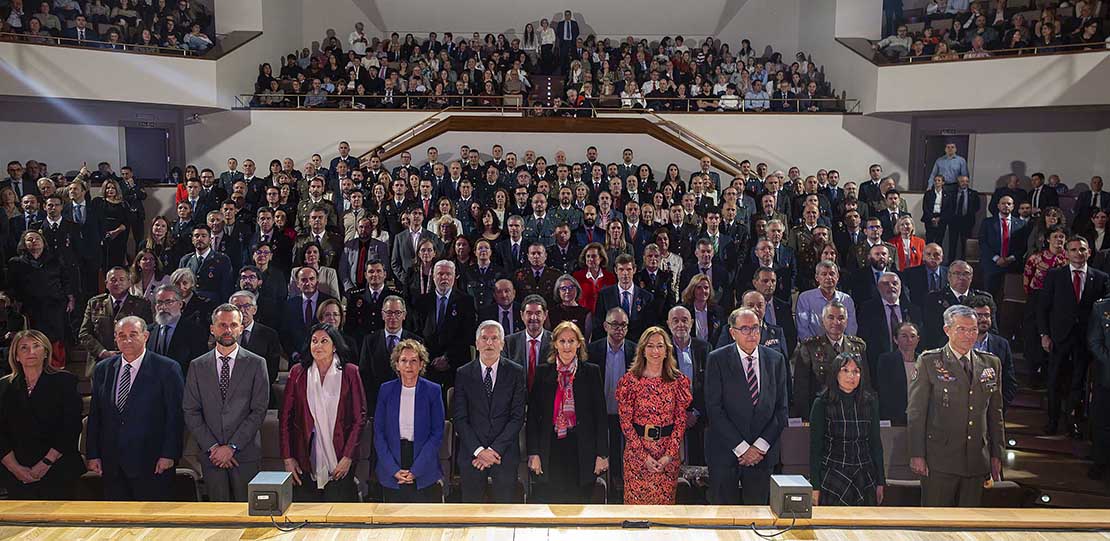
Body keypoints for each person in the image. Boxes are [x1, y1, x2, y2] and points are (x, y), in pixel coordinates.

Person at [908, 305, 1004, 507]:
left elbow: (995, 414)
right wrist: (917, 454)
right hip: (941, 460)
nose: (969, 335)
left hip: (977, 460)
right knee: (937, 524)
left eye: (973, 329)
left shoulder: (990, 364)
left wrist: (996, 454)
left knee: (970, 525)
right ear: (947, 330)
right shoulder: (929, 362)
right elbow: (916, 412)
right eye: (962, 329)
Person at [85, 316, 184, 501]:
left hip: (152, 462)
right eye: (121, 335)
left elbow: (175, 417)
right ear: (115, 338)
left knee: (152, 522)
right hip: (112, 463)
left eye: (133, 334)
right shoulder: (103, 369)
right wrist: (93, 454)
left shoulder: (167, 368)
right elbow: (96, 415)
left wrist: (169, 454)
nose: (127, 340)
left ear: (145, 336)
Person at [182, 304, 269, 502]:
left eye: (233, 325)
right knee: (216, 516)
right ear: (212, 328)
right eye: (222, 325)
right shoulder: (197, 366)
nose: (228, 330)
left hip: (245, 454)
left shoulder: (257, 363)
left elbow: (258, 410)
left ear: (240, 328)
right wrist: (213, 447)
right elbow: (191, 410)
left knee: (247, 514)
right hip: (211, 456)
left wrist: (232, 447)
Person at [705, 308, 788, 505]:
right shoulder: (717, 359)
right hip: (726, 454)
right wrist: (743, 449)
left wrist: (758, 448)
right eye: (745, 329)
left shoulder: (776, 360)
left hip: (762, 457)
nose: (752, 333)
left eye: (755, 328)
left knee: (758, 520)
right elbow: (714, 409)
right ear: (732, 332)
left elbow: (781, 409)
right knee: (724, 521)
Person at [280, 323, 366, 502]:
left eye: (324, 341)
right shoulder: (298, 373)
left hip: (341, 455)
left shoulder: (350, 372)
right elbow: (285, 418)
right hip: (305, 456)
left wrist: (348, 457)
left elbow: (360, 418)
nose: (318, 346)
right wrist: (288, 457)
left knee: (338, 513)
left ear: (335, 346)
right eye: (314, 341)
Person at [527, 321, 609, 503]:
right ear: (555, 343)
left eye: (571, 341)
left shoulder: (591, 372)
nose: (566, 346)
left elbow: (600, 417)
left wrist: (602, 454)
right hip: (550, 449)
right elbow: (533, 418)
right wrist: (533, 452)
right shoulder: (543, 373)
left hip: (582, 450)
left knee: (579, 507)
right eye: (562, 341)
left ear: (579, 344)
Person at [0, 330, 83, 500]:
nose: (31, 352)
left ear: (46, 352)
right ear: (16, 355)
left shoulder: (65, 382)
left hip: (57, 469)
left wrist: (45, 464)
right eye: (24, 348)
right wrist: (15, 468)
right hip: (15, 472)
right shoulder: (3, 386)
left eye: (36, 346)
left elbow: (71, 427)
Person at [1038, 236, 1108, 437]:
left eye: (1082, 249)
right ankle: (1052, 420)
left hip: (1086, 339)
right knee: (1054, 380)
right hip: (1058, 337)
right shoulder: (1054, 276)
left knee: (1078, 382)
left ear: (1089, 252)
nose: (1079, 253)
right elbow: (1043, 308)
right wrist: (1044, 334)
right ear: (1066, 253)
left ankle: (1072, 421)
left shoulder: (1101, 278)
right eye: (1074, 249)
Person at [615, 326, 691, 505]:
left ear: (667, 351)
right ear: (642, 350)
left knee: (663, 515)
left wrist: (668, 456)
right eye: (650, 346)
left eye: (660, 346)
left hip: (667, 457)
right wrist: (644, 457)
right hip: (637, 456)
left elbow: (680, 422)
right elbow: (625, 424)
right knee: (636, 515)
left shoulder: (678, 381)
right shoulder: (630, 381)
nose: (655, 351)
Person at [454, 321, 527, 503]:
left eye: (494, 338)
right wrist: (479, 451)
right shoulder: (463, 373)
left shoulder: (516, 372)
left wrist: (493, 451)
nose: (489, 343)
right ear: (477, 343)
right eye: (484, 338)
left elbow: (517, 417)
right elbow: (460, 419)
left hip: (504, 454)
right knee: (471, 514)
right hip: (472, 455)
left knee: (504, 514)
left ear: (502, 344)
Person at [809, 352, 885, 506]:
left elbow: (875, 443)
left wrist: (880, 481)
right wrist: (815, 486)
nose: (851, 376)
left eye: (856, 371)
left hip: (864, 474)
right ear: (836, 373)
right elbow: (815, 448)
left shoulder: (869, 402)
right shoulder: (822, 403)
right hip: (833, 474)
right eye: (845, 370)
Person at [373, 339, 444, 502]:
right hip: (393, 462)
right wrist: (393, 469)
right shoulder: (386, 390)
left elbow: (437, 434)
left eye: (414, 361)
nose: (408, 365)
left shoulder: (433, 391)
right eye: (403, 360)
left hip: (423, 462)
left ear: (421, 364)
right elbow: (379, 433)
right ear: (396, 364)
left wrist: (416, 470)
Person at [791, 301, 869, 419]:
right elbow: (801, 390)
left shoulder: (858, 346)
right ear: (823, 321)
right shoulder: (809, 347)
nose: (836, 322)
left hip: (851, 413)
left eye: (841, 318)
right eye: (831, 317)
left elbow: (865, 383)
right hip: (821, 413)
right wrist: (807, 418)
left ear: (847, 321)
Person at [6, 230, 75, 356]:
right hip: (30, 307)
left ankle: (57, 366)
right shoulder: (16, 263)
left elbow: (66, 280)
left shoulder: (55, 259)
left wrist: (70, 298)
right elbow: (11, 285)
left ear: (43, 242)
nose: (34, 241)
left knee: (57, 337)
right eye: (29, 239)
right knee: (34, 339)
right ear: (24, 244)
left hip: (55, 305)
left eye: (37, 238)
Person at [416, 260, 476, 393]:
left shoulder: (466, 301)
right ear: (433, 276)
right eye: (440, 274)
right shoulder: (422, 301)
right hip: (428, 363)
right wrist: (430, 359)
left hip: (456, 363)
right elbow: (418, 334)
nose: (444, 278)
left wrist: (447, 358)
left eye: (448, 274)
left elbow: (468, 335)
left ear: (454, 277)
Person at [79, 267, 154, 369]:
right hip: (100, 363)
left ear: (129, 282)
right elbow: (84, 334)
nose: (117, 283)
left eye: (121, 279)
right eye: (113, 280)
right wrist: (102, 352)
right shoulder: (95, 303)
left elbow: (147, 333)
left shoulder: (141, 305)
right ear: (106, 283)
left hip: (132, 363)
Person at [359, 295, 421, 413]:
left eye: (397, 312)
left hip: (408, 404)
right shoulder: (369, 341)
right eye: (389, 312)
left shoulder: (417, 342)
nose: (393, 317)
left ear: (404, 315)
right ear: (382, 315)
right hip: (377, 405)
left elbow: (420, 376)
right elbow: (364, 375)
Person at [667, 306, 710, 465]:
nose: (680, 325)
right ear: (668, 323)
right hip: (669, 419)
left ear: (691, 323)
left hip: (698, 418)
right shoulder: (662, 350)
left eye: (685, 320)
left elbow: (709, 385)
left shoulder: (704, 348)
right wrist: (679, 414)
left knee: (698, 467)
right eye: (675, 321)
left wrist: (696, 412)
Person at [965, 296, 1018, 409]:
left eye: (987, 315)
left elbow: (1009, 382)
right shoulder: (955, 341)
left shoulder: (1002, 345)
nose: (984, 319)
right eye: (979, 315)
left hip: (990, 410)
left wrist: (998, 407)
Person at [146, 285, 209, 377]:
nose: (163, 307)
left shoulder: (195, 331)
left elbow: (199, 366)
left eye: (169, 302)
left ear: (180, 304)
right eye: (159, 302)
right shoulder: (149, 331)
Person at [979, 195, 1027, 297]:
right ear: (998, 206)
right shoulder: (988, 222)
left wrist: (1010, 259)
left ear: (1013, 206)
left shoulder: (1021, 224)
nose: (1006, 206)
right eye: (1003, 203)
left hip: (1013, 266)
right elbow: (983, 243)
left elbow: (1023, 246)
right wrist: (997, 259)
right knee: (989, 296)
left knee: (1011, 298)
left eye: (1009, 204)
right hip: (992, 265)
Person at [874, 321, 920, 426]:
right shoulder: (886, 360)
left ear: (918, 339)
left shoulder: (924, 361)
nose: (909, 340)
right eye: (904, 336)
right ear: (895, 339)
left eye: (913, 336)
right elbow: (884, 393)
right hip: (895, 419)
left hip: (919, 418)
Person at [504, 295, 551, 392]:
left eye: (538, 313)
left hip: (546, 399)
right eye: (529, 313)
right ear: (522, 315)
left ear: (545, 315)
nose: (533, 318)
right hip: (517, 399)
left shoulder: (555, 342)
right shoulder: (509, 342)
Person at [943, 175, 980, 262]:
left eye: (966, 181)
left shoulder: (973, 193)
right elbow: (947, 206)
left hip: (967, 221)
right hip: (954, 221)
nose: (965, 183)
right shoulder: (952, 193)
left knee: (966, 244)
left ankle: (964, 262)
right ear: (958, 182)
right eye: (962, 181)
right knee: (952, 243)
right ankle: (950, 262)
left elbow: (977, 207)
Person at [549, 275, 593, 340]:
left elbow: (586, 339)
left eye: (571, 287)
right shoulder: (551, 312)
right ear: (558, 291)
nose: (567, 291)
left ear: (577, 289)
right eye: (563, 288)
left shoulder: (586, 313)